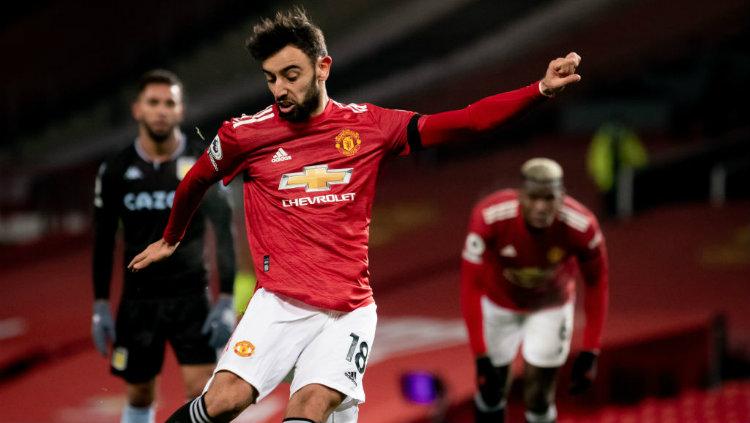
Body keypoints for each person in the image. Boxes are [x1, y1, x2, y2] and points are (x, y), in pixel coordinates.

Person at [127, 8, 582, 423]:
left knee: (306, 410)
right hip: (278, 303)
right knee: (223, 401)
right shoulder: (246, 135)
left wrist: (538, 90)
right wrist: (172, 236)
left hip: (347, 312)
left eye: (291, 75)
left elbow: (464, 121)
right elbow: (195, 181)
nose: (281, 90)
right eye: (271, 79)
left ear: (323, 66)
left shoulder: (370, 127)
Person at [91, 69, 237, 423]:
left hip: (190, 296)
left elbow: (224, 229)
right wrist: (100, 305)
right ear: (137, 109)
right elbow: (104, 239)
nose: (161, 110)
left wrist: (227, 299)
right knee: (139, 393)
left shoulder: (204, 161)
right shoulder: (115, 170)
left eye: (169, 103)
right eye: (153, 102)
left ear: (181, 110)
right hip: (138, 299)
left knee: (201, 391)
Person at [460, 158, 609, 423]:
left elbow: (597, 283)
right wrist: (481, 355)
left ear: (562, 197)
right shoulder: (489, 216)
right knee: (491, 390)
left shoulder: (582, 227)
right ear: (520, 196)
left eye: (549, 198)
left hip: (550, 306)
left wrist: (591, 350)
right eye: (533, 198)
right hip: (499, 304)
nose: (541, 207)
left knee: (539, 395)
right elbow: (470, 286)